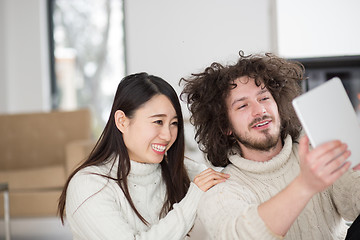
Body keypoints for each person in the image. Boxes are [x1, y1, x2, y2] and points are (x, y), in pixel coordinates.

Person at [180, 52, 360, 240]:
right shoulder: (221, 191)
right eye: (243, 106)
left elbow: (354, 202)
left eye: (264, 98)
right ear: (226, 127)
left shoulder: (315, 151)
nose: (260, 110)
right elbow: (238, 234)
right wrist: (305, 185)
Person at [58, 72, 229, 239]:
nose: (168, 135)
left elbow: (229, 182)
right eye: (158, 122)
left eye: (174, 123)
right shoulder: (89, 185)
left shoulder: (181, 170)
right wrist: (192, 199)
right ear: (122, 122)